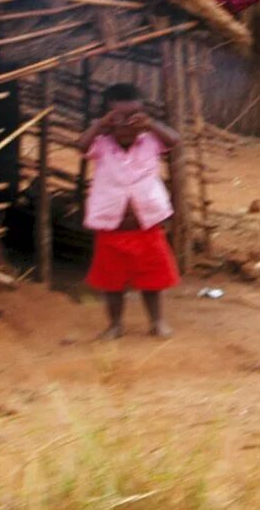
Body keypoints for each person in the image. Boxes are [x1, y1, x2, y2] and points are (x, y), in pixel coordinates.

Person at [76, 83, 182, 339]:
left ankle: (157, 322)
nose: (126, 125)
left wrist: (150, 125)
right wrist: (101, 125)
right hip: (112, 228)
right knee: (112, 283)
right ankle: (115, 325)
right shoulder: (101, 144)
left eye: (133, 117)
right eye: (117, 118)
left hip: (146, 227)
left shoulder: (151, 141)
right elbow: (81, 146)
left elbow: (175, 140)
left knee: (152, 280)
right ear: (107, 120)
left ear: (142, 117)